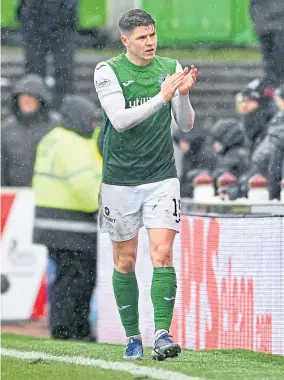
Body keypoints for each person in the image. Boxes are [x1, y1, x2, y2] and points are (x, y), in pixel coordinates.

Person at [94, 9, 198, 360]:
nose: (150, 42)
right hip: (120, 179)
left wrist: (181, 94)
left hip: (161, 177)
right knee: (125, 261)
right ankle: (133, 337)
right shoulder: (107, 71)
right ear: (125, 40)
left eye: (152, 34)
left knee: (163, 254)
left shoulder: (170, 67)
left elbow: (185, 124)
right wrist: (161, 98)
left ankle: (163, 334)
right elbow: (120, 120)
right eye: (141, 37)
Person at [32, 95, 102, 341]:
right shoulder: (72, 143)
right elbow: (84, 186)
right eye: (91, 121)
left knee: (65, 279)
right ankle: (72, 330)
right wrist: (101, 206)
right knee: (78, 280)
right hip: (72, 225)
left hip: (52, 225)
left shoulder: (52, 139)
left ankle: (66, 328)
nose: (94, 126)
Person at [17, 0, 77, 109]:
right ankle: (36, 109)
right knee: (35, 69)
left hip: (59, 17)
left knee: (63, 69)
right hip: (36, 16)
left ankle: (65, 109)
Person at [1, 74, 58, 186]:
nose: (26, 99)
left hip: (47, 193)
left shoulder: (54, 126)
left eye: (31, 95)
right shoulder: (6, 128)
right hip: (15, 194)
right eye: (23, 95)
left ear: (40, 99)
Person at [250, 0, 284, 86]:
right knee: (273, 57)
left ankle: (275, 83)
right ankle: (274, 83)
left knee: (276, 57)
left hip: (271, 23)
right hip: (269, 24)